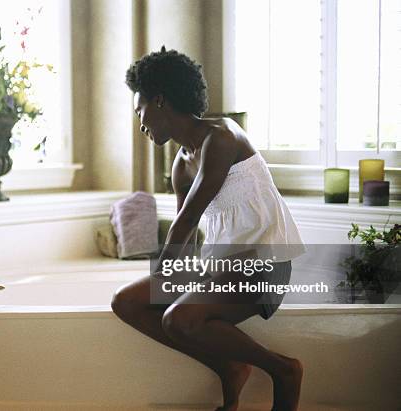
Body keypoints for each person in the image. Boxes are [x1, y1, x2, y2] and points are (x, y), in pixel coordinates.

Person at [111, 46, 306, 411]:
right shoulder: (181, 165)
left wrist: (168, 279)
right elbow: (187, 243)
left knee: (178, 320)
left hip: (263, 266)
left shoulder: (222, 136)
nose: (140, 124)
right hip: (220, 269)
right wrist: (170, 279)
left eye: (141, 112)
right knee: (127, 301)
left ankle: (282, 370)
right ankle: (230, 366)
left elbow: (186, 220)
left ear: (160, 100)